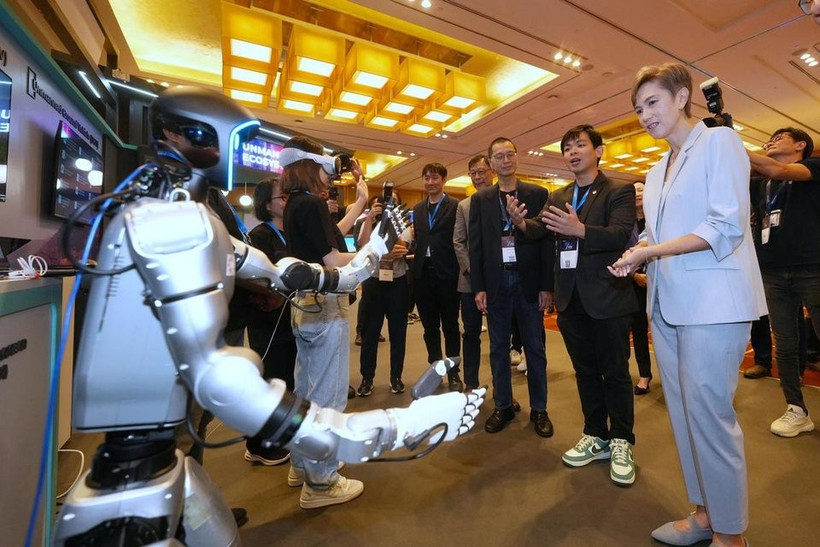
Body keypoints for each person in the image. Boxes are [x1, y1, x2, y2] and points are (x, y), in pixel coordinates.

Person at [610, 62, 766, 547]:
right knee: (682, 414)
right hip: (670, 302)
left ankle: (730, 534)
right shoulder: (656, 171)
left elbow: (725, 225)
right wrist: (635, 258)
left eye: (652, 103)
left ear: (682, 96)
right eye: (638, 109)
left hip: (716, 303)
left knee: (712, 417)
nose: (644, 116)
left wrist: (650, 251)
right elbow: (658, 238)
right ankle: (703, 513)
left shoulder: (719, 142)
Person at [508, 125, 638, 485]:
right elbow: (541, 230)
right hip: (570, 298)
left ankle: (622, 440)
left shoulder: (619, 190)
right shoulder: (560, 193)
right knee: (584, 372)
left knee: (614, 372)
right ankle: (595, 434)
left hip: (608, 296)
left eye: (580, 145)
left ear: (598, 150)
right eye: (567, 148)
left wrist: (579, 229)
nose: (572, 152)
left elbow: (618, 234)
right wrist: (521, 222)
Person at [281, 135, 369, 509]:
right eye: (325, 168)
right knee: (327, 398)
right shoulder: (313, 204)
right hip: (325, 306)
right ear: (310, 166)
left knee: (305, 390)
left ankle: (302, 463)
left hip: (304, 307)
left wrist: (362, 201)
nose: (330, 176)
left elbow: (333, 238)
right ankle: (321, 482)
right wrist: (371, 256)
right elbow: (333, 259)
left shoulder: (297, 205)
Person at [469, 137, 553, 437]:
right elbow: (476, 247)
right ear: (491, 163)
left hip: (528, 281)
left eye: (510, 154)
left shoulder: (537, 193)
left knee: (535, 347)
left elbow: (545, 242)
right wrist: (478, 287)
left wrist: (547, 285)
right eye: (499, 157)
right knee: (498, 348)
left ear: (516, 158)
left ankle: (539, 409)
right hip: (496, 283)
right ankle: (503, 405)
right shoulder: (481, 200)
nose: (505, 160)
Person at [746, 126, 820, 437]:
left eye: (779, 138)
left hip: (812, 267)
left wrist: (729, 142)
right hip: (773, 272)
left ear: (801, 144)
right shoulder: (761, 184)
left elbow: (776, 167)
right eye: (769, 138)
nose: (771, 141)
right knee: (786, 345)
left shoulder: (813, 166)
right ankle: (796, 409)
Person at [240, 178, 295, 467]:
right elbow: (250, 277)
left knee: (286, 382)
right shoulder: (261, 235)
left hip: (291, 319)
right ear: (266, 204)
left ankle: (277, 438)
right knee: (269, 383)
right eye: (281, 197)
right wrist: (271, 293)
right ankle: (258, 445)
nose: (287, 202)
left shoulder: (293, 232)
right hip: (267, 320)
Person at [411, 163, 463, 392]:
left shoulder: (455, 206)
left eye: (434, 178)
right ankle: (435, 370)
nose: (430, 182)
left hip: (448, 273)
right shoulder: (418, 208)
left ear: (443, 180)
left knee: (450, 326)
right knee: (429, 328)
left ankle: (453, 372)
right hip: (423, 275)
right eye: (426, 177)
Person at [355, 196, 411, 396]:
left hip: (398, 282)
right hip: (373, 282)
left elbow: (400, 249)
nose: (388, 205)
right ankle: (366, 378)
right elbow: (362, 246)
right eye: (383, 202)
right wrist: (371, 219)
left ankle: (396, 377)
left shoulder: (402, 224)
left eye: (393, 202)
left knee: (398, 333)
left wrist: (378, 250)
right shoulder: (366, 223)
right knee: (369, 333)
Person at [453, 154, 494, 390]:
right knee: (470, 334)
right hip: (469, 282)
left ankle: (502, 391)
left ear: (492, 172)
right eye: (473, 173)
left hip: (499, 281)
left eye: (482, 171)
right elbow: (458, 241)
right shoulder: (464, 206)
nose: (478, 177)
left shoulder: (503, 200)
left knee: (499, 338)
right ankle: (471, 384)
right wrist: (472, 271)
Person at [630, 181, 653, 394]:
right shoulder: (624, 221)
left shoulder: (657, 217)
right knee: (637, 330)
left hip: (659, 280)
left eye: (642, 189)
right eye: (634, 190)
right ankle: (644, 375)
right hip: (632, 282)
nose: (638, 193)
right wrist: (636, 275)